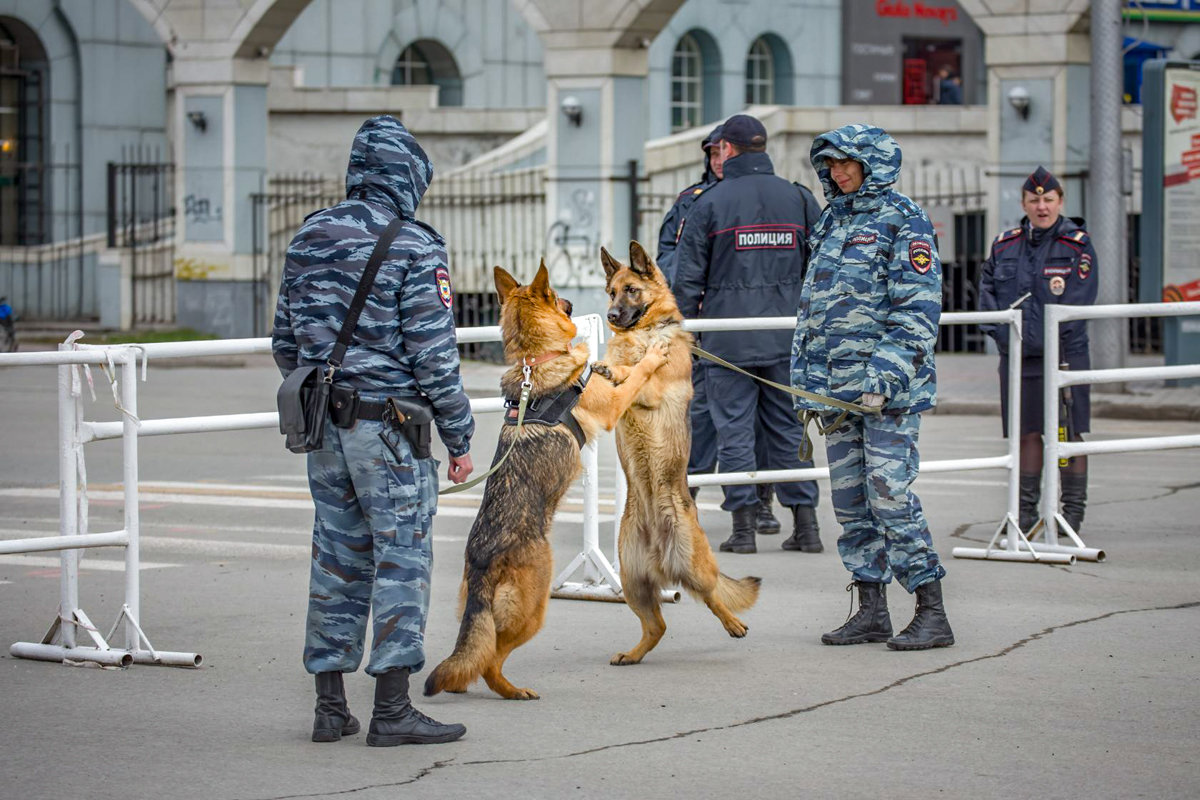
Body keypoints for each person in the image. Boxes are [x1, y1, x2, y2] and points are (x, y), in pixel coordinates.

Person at [272, 115, 476, 746]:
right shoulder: (415, 246)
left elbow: (285, 343)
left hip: (324, 427)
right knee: (401, 561)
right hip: (389, 430)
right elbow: (433, 357)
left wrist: (334, 385)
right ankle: (392, 710)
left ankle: (330, 707)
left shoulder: (307, 237)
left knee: (335, 559)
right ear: (407, 175)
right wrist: (460, 436)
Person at [791, 123, 953, 650]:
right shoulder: (832, 222)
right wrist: (804, 383)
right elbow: (812, 312)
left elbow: (917, 313)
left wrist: (882, 378)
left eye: (848, 164)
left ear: (873, 165)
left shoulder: (904, 221)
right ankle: (871, 609)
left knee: (890, 499)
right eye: (832, 164)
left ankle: (932, 610)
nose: (838, 173)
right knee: (851, 504)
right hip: (835, 394)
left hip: (887, 395)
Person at [673, 113, 822, 555]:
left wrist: (685, 333)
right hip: (785, 335)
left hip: (727, 338)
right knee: (788, 429)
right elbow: (820, 268)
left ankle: (742, 530)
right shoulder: (798, 198)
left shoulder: (710, 203)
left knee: (734, 431)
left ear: (728, 150)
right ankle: (807, 525)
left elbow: (686, 281)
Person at [978, 166, 1097, 535]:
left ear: (1060, 201)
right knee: (1026, 432)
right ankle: (1025, 514)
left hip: (1065, 355)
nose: (1041, 207)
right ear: (1024, 203)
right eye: (1034, 200)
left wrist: (1044, 341)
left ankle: (1070, 515)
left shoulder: (1077, 245)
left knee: (1067, 433)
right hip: (1017, 357)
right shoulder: (1004, 244)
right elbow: (987, 298)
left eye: (1048, 199)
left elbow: (1079, 302)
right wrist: (1005, 338)